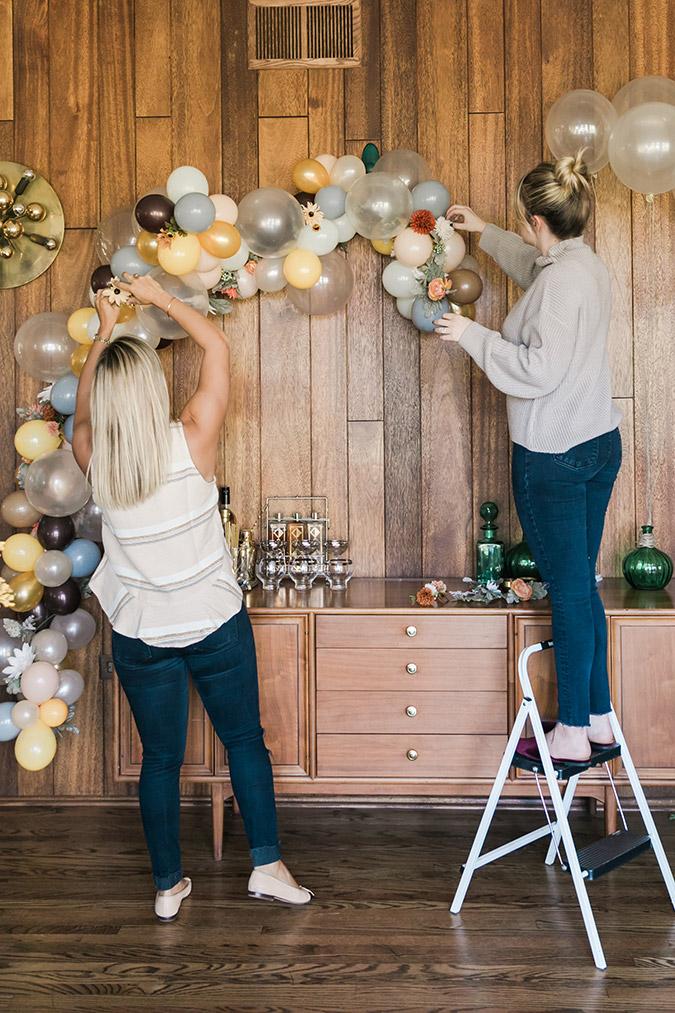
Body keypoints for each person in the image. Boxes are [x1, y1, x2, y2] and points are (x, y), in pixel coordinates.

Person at [72, 273, 312, 920]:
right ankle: (266, 865)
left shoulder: (94, 457)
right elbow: (218, 349)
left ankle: (168, 886)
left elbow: (86, 408)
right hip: (215, 624)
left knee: (160, 761)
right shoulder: (192, 438)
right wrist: (157, 299)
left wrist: (101, 331)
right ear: (153, 390)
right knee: (244, 742)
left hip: (142, 636)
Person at [434, 151, 622, 763]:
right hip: (597, 445)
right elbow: (536, 271)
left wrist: (472, 336)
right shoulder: (581, 265)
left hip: (555, 455)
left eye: (519, 222)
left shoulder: (563, 280)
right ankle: (597, 717)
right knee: (581, 586)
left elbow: (539, 371)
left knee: (567, 593)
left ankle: (569, 730)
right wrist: (483, 231)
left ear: (537, 221)